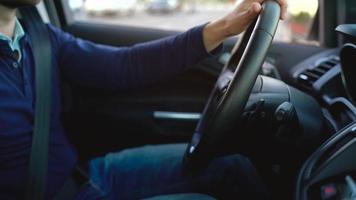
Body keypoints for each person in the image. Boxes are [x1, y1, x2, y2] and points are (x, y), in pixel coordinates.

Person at [0, 0, 287, 199]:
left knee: (231, 166)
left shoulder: (36, 34)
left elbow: (122, 66)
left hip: (84, 178)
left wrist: (225, 26)